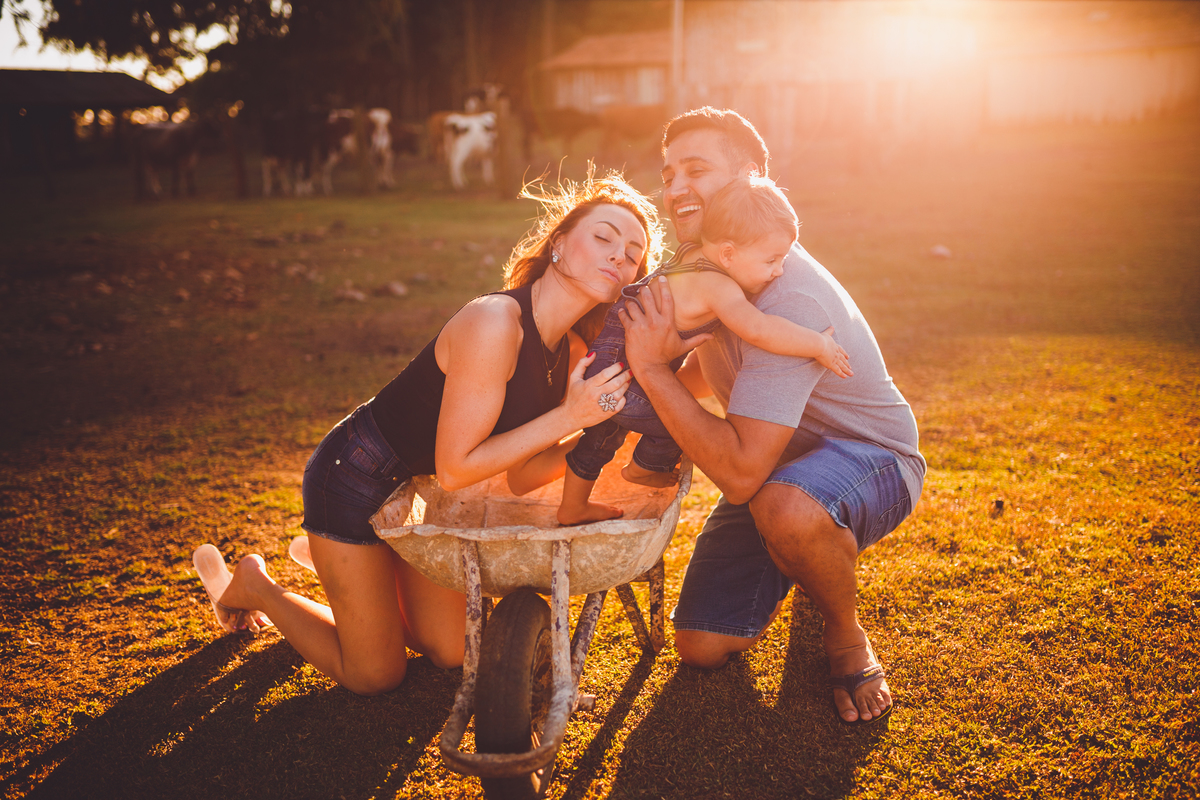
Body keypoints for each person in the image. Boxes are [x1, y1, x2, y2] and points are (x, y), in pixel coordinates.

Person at [191, 171, 663, 696]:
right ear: (558, 245)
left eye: (634, 253)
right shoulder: (496, 322)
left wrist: (596, 429)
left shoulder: (565, 352)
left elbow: (524, 475)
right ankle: (259, 586)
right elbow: (457, 469)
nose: (621, 255)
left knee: (453, 649)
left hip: (414, 497)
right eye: (604, 237)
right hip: (352, 478)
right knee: (375, 674)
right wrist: (570, 417)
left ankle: (359, 576)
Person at [619, 108, 925, 725]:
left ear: (752, 176)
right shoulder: (707, 267)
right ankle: (812, 549)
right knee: (702, 644)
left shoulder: (788, 295)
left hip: (873, 460)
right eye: (669, 173)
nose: (677, 187)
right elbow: (713, 357)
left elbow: (736, 474)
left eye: (697, 170)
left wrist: (652, 373)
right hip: (776, 463)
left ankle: (843, 634)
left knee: (785, 507)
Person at [556, 176, 852, 526]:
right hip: (627, 373)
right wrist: (818, 343)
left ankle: (572, 507)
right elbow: (761, 330)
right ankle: (646, 468)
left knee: (600, 434)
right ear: (728, 253)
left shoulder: (690, 255)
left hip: (605, 363)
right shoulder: (719, 287)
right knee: (677, 422)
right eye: (771, 260)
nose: (780, 270)